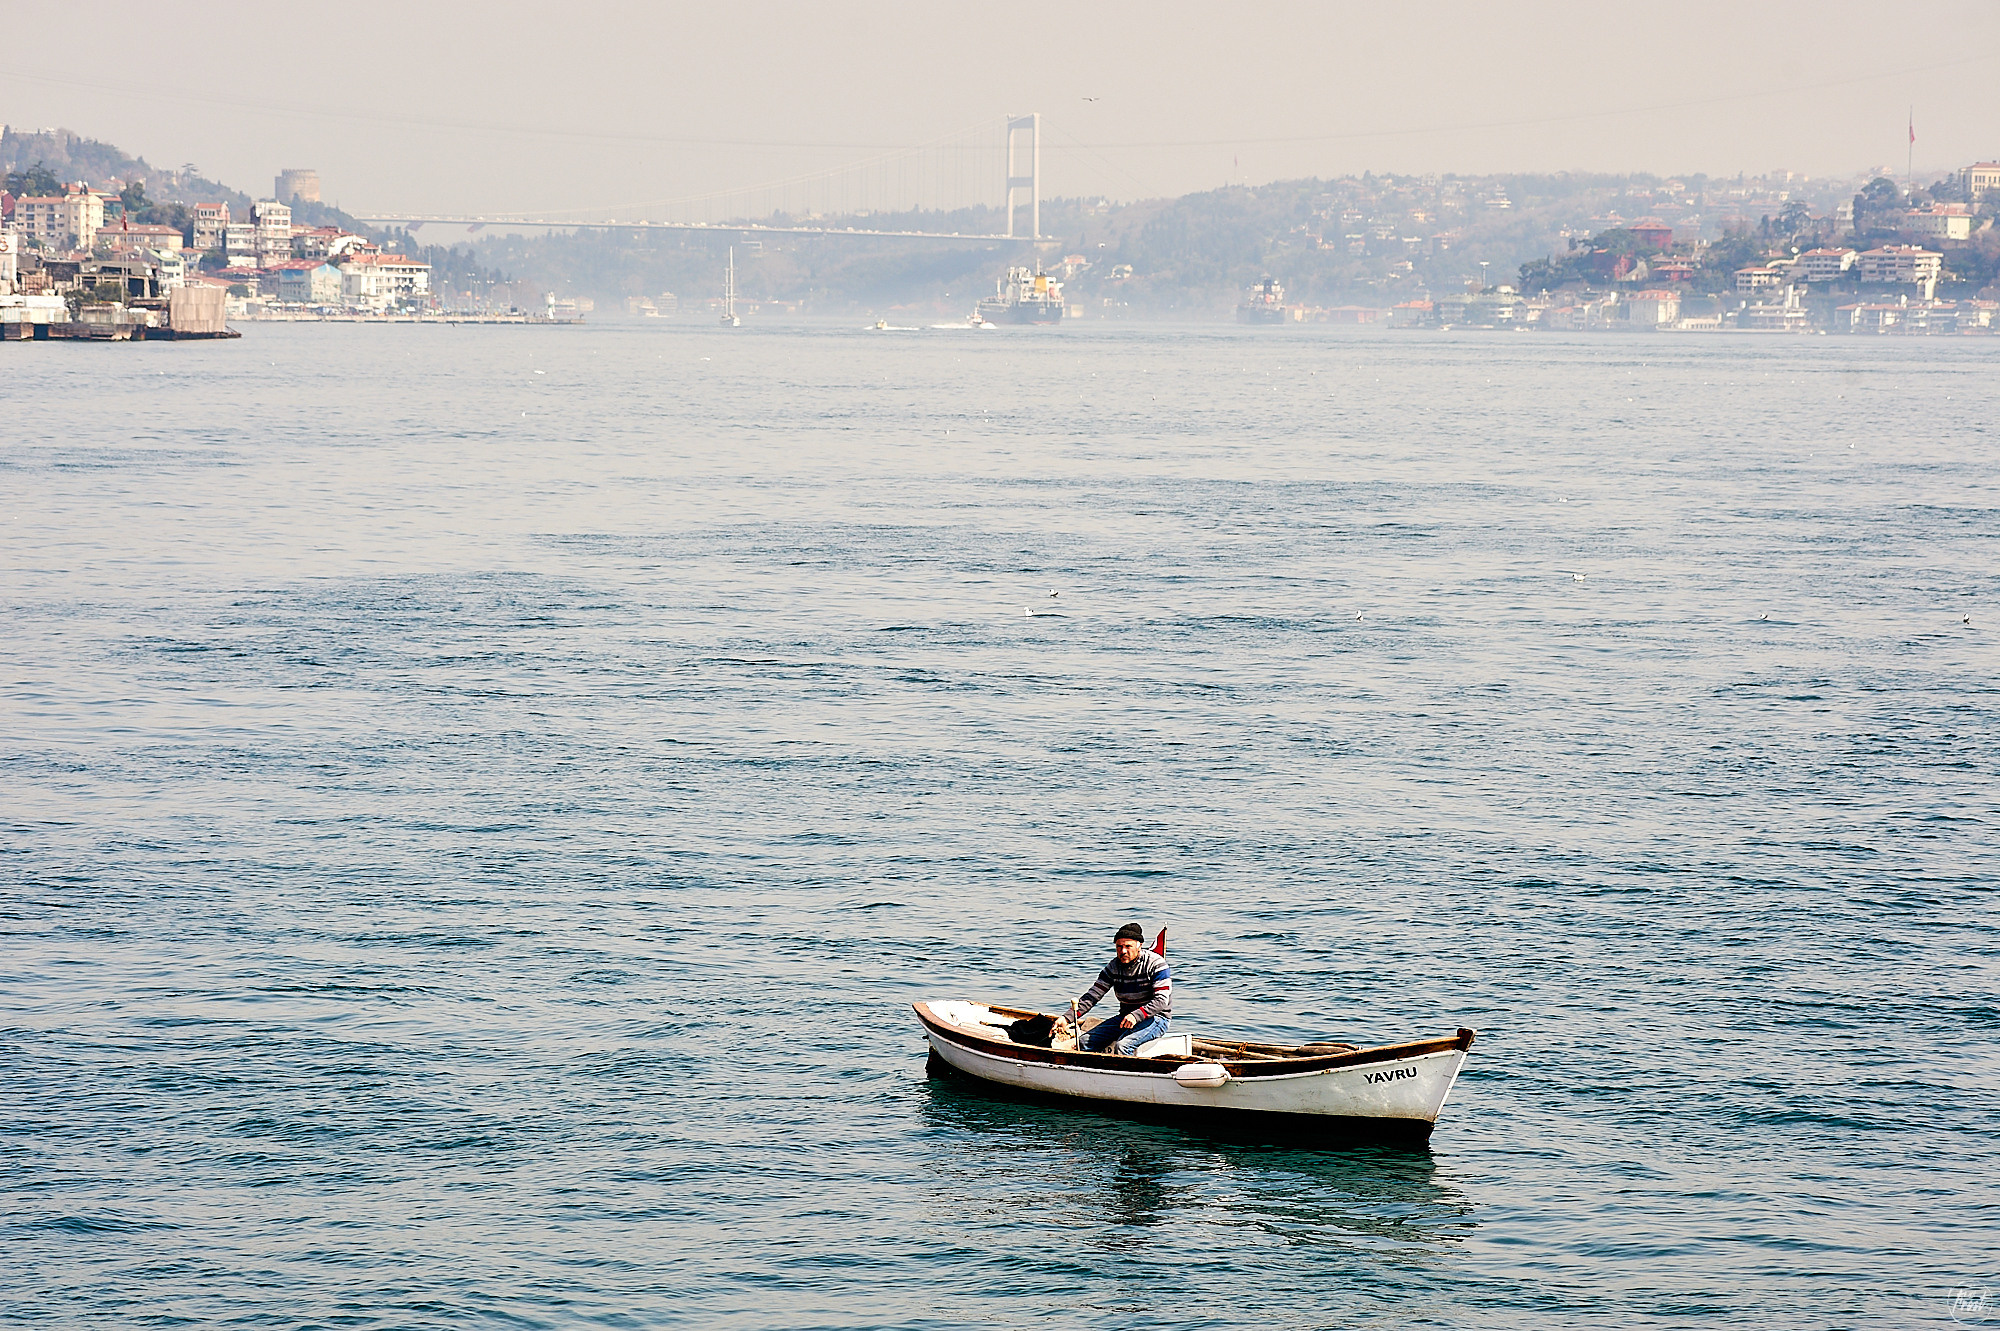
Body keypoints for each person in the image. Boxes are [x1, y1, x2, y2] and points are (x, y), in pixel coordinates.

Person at [1073, 922, 1171, 1056]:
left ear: (1139, 946)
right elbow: (1092, 996)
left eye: (1128, 946)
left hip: (1156, 1018)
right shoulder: (1113, 967)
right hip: (1125, 1018)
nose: (1123, 951)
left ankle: (1131, 1076)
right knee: (1083, 1042)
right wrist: (1066, 1018)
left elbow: (1161, 1000)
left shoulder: (1156, 964)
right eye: (1119, 947)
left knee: (1123, 1045)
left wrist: (1136, 1016)